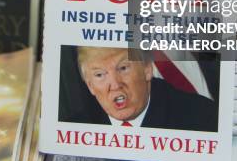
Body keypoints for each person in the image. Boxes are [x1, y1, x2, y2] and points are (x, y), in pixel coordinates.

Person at [66, 46, 217, 131]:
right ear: (90, 86)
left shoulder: (203, 118)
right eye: (99, 74)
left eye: (123, 68)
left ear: (147, 69)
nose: (115, 84)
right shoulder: (73, 129)